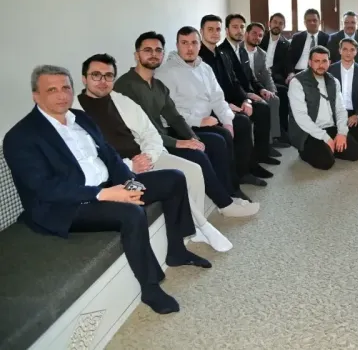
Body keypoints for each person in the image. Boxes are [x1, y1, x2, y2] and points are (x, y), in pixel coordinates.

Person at [4, 65, 212, 315]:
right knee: (130, 213)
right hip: (67, 205)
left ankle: (177, 251)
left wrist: (128, 183)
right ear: (36, 95)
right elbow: (44, 188)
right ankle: (150, 287)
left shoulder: (80, 118)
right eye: (51, 90)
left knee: (174, 179)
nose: (61, 95)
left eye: (65, 88)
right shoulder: (21, 136)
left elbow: (110, 156)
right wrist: (104, 194)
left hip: (109, 188)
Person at [77, 54, 260, 247]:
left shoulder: (121, 100)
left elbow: (150, 132)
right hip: (121, 168)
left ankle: (197, 226)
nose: (103, 81)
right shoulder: (74, 112)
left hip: (147, 155)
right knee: (176, 178)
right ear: (84, 78)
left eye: (108, 76)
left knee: (193, 169)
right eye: (96, 75)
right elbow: (89, 157)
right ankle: (201, 226)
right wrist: (130, 165)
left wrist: (148, 155)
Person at [115, 31, 252, 201]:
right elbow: (143, 132)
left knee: (212, 140)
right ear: (137, 55)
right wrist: (180, 142)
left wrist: (193, 138)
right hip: (143, 147)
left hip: (161, 139)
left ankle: (230, 191)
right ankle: (226, 201)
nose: (153, 54)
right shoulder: (126, 86)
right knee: (205, 150)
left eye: (158, 50)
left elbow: (175, 117)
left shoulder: (157, 85)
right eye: (147, 50)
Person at [156, 26, 268, 187]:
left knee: (241, 122)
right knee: (221, 137)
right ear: (177, 45)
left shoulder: (205, 68)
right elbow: (169, 112)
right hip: (183, 125)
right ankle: (230, 186)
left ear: (199, 45)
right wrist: (199, 121)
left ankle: (244, 172)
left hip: (207, 119)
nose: (189, 48)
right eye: (184, 43)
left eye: (194, 43)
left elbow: (217, 98)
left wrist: (227, 120)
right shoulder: (166, 72)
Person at [205, 14, 279, 166]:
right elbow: (222, 85)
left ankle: (262, 153)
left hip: (239, 94)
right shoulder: (222, 51)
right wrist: (244, 97)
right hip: (225, 100)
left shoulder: (241, 50)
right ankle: (250, 163)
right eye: (235, 27)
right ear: (227, 30)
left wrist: (255, 92)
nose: (239, 30)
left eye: (242, 27)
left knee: (264, 107)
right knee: (248, 117)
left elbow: (244, 78)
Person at [287, 46, 358, 169]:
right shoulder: (297, 82)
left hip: (330, 126)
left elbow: (340, 109)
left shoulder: (334, 81)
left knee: (355, 153)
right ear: (310, 62)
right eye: (316, 61)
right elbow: (301, 117)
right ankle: (307, 150)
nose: (321, 65)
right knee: (326, 162)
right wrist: (325, 138)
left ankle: (327, 148)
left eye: (324, 61)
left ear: (329, 62)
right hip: (307, 131)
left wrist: (342, 133)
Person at [238, 22, 287, 147]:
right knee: (264, 105)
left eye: (260, 35)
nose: (257, 37)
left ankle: (274, 138)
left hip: (256, 87)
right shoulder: (237, 50)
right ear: (246, 34)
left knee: (274, 99)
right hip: (240, 89)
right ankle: (266, 144)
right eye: (254, 33)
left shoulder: (262, 54)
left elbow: (266, 74)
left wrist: (272, 91)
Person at [328, 38, 358, 130]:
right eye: (345, 49)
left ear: (356, 52)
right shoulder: (330, 70)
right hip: (334, 113)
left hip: (354, 114)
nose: (348, 53)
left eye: (352, 50)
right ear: (340, 50)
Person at [287, 8, 330, 82]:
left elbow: (329, 59)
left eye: (314, 20)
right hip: (298, 73)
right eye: (309, 21)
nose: (312, 23)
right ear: (305, 23)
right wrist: (291, 73)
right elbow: (289, 58)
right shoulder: (297, 38)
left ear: (319, 22)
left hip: (318, 73)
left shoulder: (327, 38)